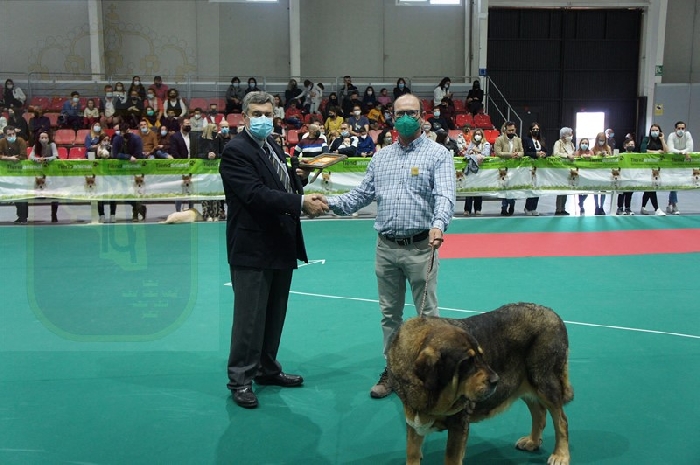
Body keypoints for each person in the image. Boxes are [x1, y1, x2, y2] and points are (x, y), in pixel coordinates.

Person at [324, 94, 455, 399]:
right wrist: (326, 203)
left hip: (421, 246)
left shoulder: (438, 154)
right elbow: (360, 196)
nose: (406, 118)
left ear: (423, 116)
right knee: (389, 315)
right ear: (392, 118)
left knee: (428, 316)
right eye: (400, 113)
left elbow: (445, 195)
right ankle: (394, 371)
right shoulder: (381, 157)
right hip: (385, 248)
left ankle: (430, 374)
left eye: (412, 113)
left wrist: (439, 224)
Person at [219, 91, 326, 409]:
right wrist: (301, 202)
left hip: (281, 242)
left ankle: (266, 368)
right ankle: (240, 379)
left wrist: (300, 177)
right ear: (244, 117)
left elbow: (282, 182)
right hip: (252, 246)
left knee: (274, 313)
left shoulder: (273, 146)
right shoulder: (236, 151)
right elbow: (255, 194)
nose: (263, 119)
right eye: (256, 114)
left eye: (267, 113)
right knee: (249, 318)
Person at [111, 123, 146, 222]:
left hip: (135, 168)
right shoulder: (117, 139)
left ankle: (135, 214)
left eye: (124, 132)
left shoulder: (136, 139)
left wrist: (132, 158)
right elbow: (115, 154)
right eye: (121, 132)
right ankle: (140, 207)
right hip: (121, 169)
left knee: (135, 191)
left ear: (128, 130)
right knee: (123, 192)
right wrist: (128, 157)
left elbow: (138, 153)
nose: (122, 134)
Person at [493, 121, 524, 216]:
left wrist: (518, 154)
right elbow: (498, 152)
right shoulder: (499, 139)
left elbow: (522, 151)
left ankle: (512, 204)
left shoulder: (518, 140)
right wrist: (510, 155)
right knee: (505, 188)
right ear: (505, 130)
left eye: (513, 130)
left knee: (512, 188)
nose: (511, 132)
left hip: (515, 168)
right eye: (509, 130)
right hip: (504, 168)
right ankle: (504, 207)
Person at [0, 126, 29, 223]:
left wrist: (5, 157)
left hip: (21, 172)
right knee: (14, 195)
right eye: (9, 135)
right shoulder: (2, 142)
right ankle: (20, 216)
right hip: (8, 173)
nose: (12, 136)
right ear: (5, 135)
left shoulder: (21, 141)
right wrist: (10, 158)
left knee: (22, 195)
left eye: (13, 134)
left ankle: (24, 217)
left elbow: (23, 156)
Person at [639, 123, 668, 215]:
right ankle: (656, 209)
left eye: (656, 130)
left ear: (659, 131)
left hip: (657, 168)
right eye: (653, 130)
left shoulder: (660, 140)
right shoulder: (646, 139)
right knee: (651, 188)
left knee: (650, 188)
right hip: (647, 167)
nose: (654, 132)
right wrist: (656, 152)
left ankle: (643, 207)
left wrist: (662, 139)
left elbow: (666, 151)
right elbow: (643, 150)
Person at [665, 121, 693, 214]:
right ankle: (674, 205)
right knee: (674, 183)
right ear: (675, 129)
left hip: (684, 164)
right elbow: (670, 149)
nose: (681, 130)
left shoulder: (688, 134)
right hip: (672, 162)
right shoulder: (671, 136)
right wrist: (682, 152)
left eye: (682, 128)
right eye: (679, 128)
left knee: (676, 184)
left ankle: (670, 204)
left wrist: (684, 152)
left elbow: (690, 148)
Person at [463, 128, 491, 216]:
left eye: (479, 134)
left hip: (481, 170)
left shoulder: (486, 144)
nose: (477, 136)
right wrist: (470, 152)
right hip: (471, 169)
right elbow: (466, 154)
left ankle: (478, 209)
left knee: (479, 189)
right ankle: (467, 209)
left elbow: (486, 154)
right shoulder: (472, 144)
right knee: (469, 189)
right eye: (476, 134)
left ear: (482, 135)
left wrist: (477, 151)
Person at [522, 122, 547, 215]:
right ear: (530, 130)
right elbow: (525, 152)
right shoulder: (526, 140)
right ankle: (527, 207)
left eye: (537, 129)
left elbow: (546, 151)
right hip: (529, 167)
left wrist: (544, 154)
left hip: (540, 167)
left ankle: (534, 208)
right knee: (531, 187)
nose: (536, 131)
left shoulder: (542, 140)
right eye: (534, 129)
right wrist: (535, 154)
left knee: (538, 187)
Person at [170, 118, 194, 212]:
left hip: (192, 165)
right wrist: (182, 162)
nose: (188, 126)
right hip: (180, 165)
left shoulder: (193, 136)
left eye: (189, 124)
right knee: (179, 189)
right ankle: (178, 210)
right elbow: (174, 151)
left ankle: (191, 209)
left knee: (191, 188)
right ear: (181, 125)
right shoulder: (175, 136)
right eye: (186, 124)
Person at [552, 126, 575, 215]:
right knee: (560, 189)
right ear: (564, 135)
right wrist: (567, 155)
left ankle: (563, 208)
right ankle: (558, 209)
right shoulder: (558, 143)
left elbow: (574, 153)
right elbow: (556, 153)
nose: (571, 136)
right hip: (560, 169)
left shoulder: (571, 144)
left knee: (566, 190)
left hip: (569, 169)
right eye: (569, 134)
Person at [95, 133, 118, 222]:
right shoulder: (95, 149)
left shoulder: (112, 149)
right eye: (104, 140)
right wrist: (99, 154)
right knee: (100, 196)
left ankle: (113, 215)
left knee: (113, 195)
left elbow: (114, 158)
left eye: (108, 140)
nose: (106, 141)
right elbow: (90, 159)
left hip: (111, 175)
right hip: (100, 175)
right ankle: (101, 215)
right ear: (100, 141)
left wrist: (108, 154)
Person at [591, 132, 612, 215]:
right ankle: (596, 206)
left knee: (603, 190)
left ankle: (602, 207)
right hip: (596, 172)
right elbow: (591, 159)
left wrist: (607, 155)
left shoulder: (608, 148)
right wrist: (598, 155)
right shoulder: (593, 149)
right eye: (600, 140)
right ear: (597, 140)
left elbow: (612, 158)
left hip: (605, 172)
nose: (601, 142)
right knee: (596, 190)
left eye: (603, 140)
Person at [615, 137, 637, 215]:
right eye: (629, 144)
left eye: (632, 144)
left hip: (632, 177)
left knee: (629, 194)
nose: (631, 146)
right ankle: (620, 208)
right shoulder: (621, 155)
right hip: (623, 177)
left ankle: (628, 208)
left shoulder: (636, 156)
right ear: (625, 146)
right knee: (621, 193)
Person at [573, 138, 594, 214]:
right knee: (580, 191)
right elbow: (574, 162)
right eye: (583, 143)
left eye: (586, 143)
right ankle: (581, 206)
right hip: (579, 174)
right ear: (580, 144)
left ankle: (581, 202)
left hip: (588, 175)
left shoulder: (591, 152)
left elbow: (594, 161)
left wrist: (590, 157)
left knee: (586, 192)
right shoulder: (577, 153)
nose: (584, 145)